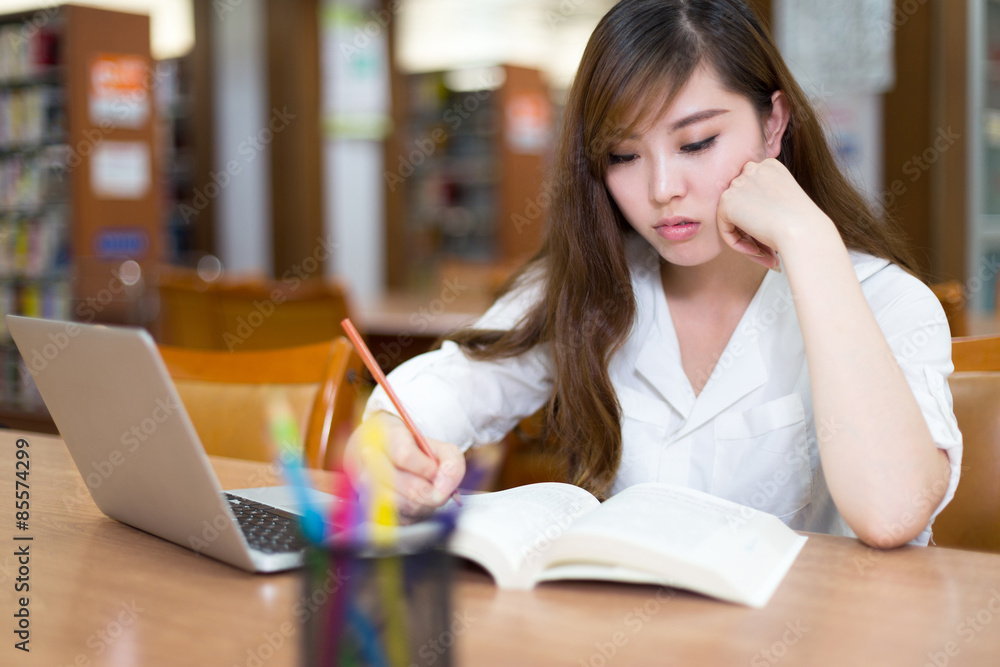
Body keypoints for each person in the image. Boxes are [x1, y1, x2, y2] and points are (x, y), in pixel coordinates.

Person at [346, 0, 961, 548]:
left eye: (696, 143)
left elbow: (891, 513)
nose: (663, 189)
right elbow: (450, 388)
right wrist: (389, 444)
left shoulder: (888, 301)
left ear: (773, 124)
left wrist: (811, 243)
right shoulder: (591, 284)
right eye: (623, 156)